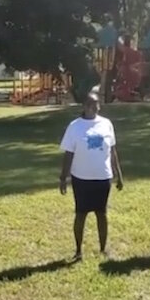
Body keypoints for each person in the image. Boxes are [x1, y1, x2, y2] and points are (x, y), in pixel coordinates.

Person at [59, 92, 124, 261]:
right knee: (81, 214)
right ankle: (78, 251)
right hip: (81, 178)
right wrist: (63, 178)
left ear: (99, 106)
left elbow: (112, 151)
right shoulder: (75, 126)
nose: (93, 107)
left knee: (101, 213)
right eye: (89, 104)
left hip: (103, 177)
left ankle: (103, 249)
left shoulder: (106, 124)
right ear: (84, 106)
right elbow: (68, 154)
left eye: (96, 104)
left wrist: (118, 174)